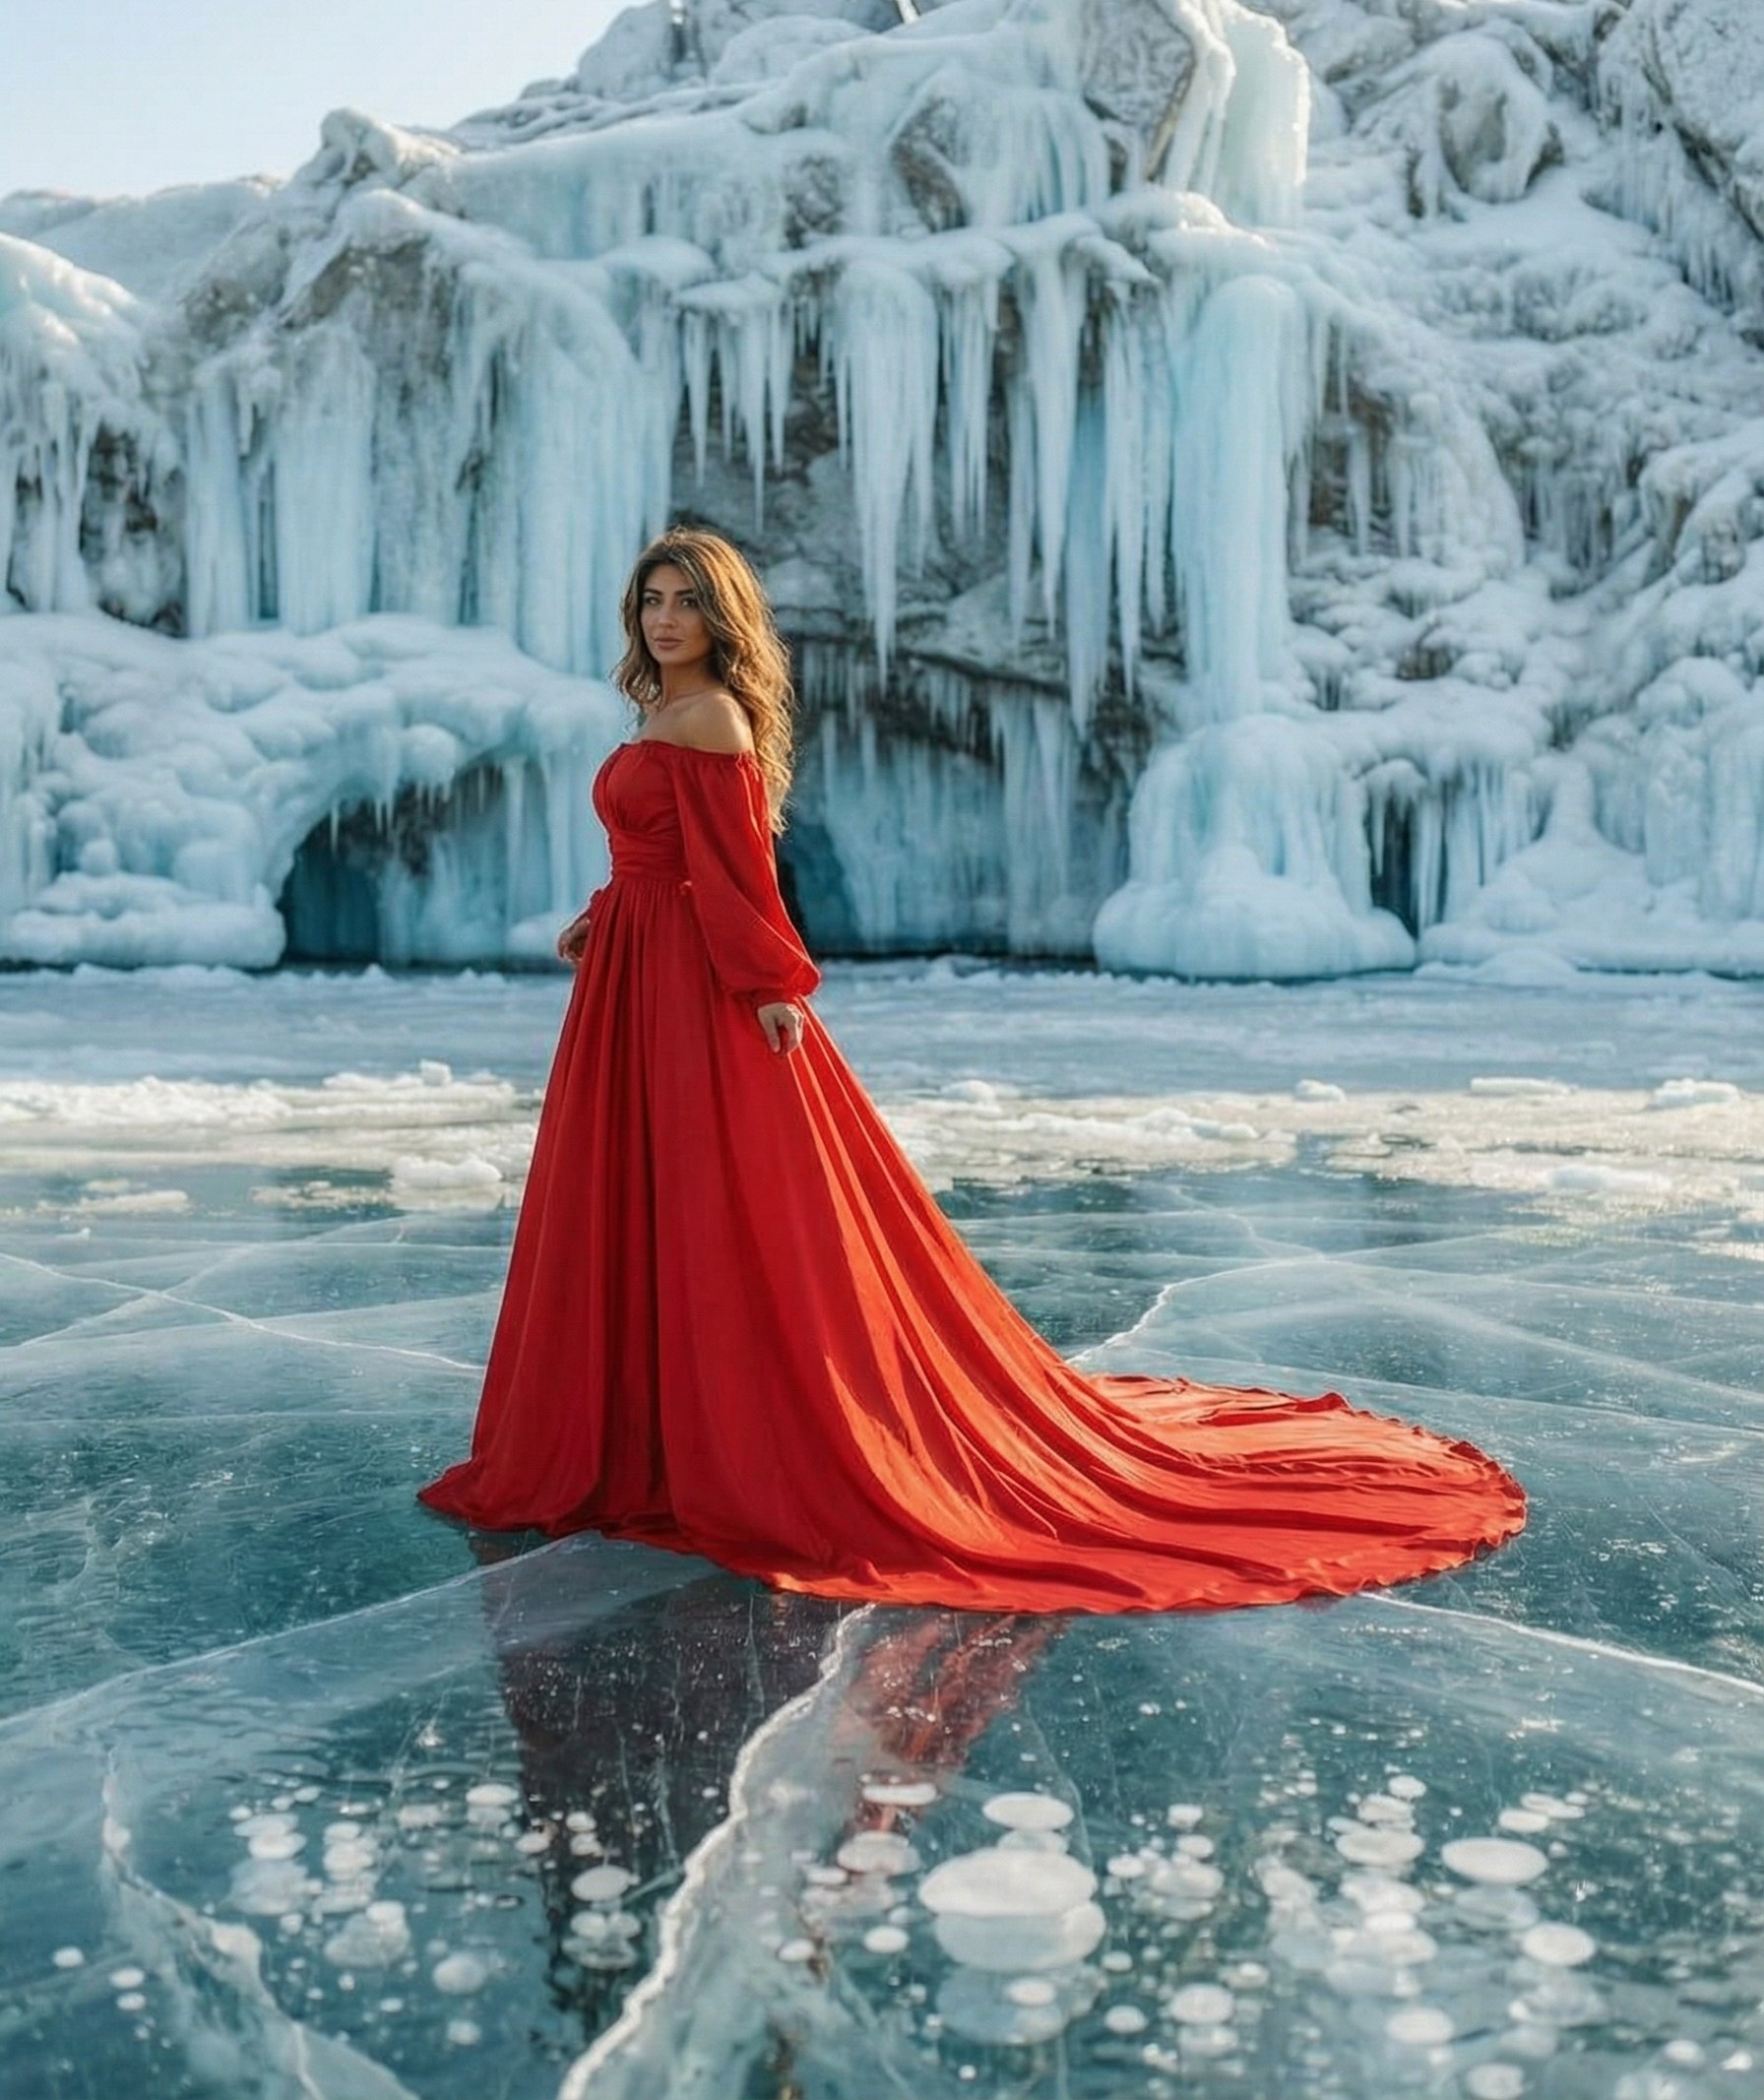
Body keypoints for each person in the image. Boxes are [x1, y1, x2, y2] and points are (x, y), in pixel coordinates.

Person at [418, 529, 1525, 1613]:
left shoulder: (708, 714)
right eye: (652, 600)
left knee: (722, 1203)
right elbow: (656, 857)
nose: (665, 620)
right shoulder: (661, 710)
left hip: (688, 988)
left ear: (723, 617)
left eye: (686, 602)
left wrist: (767, 989)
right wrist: (602, 915)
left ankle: (724, 1437)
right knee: (642, 1196)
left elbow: (740, 866)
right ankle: (650, 1435)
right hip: (633, 970)